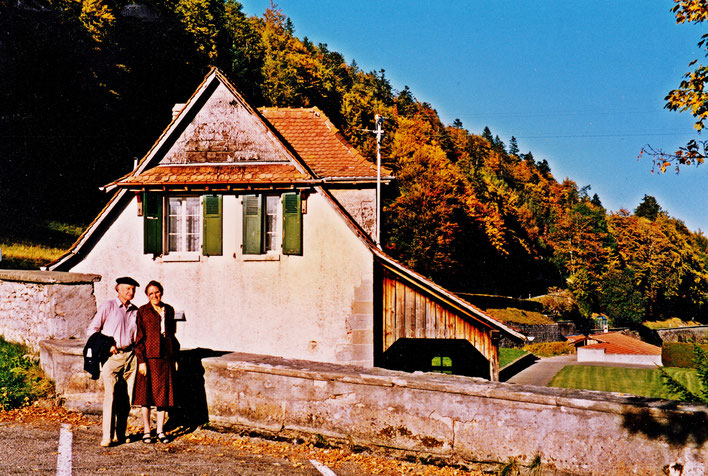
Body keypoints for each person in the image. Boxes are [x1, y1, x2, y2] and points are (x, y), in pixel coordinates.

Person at [87, 276, 140, 447]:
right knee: (110, 397)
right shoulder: (108, 307)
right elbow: (92, 330)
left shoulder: (135, 310)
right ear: (118, 289)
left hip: (130, 357)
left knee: (126, 399)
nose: (130, 292)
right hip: (112, 357)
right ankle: (107, 436)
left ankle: (121, 434)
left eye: (133, 289)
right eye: (127, 289)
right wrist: (107, 346)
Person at [133, 280, 180, 444]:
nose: (155, 296)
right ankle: (147, 430)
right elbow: (139, 338)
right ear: (147, 295)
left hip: (165, 358)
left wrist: (174, 358)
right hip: (149, 358)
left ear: (162, 292)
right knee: (146, 396)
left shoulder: (169, 310)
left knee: (163, 396)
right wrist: (141, 361)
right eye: (151, 293)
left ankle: (160, 430)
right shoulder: (143, 311)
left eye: (157, 292)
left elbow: (171, 336)